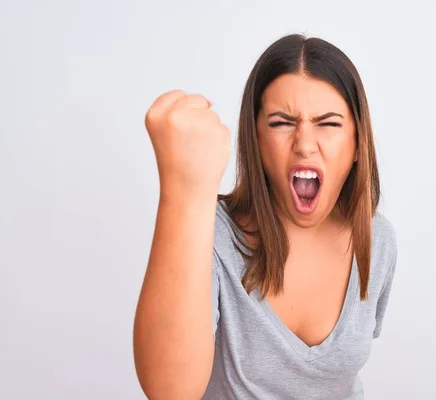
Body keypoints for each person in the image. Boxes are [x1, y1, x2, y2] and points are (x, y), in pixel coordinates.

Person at [133, 33, 398, 399]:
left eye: (329, 123)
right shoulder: (210, 233)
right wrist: (185, 188)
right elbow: (169, 391)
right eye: (281, 123)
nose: (305, 143)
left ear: (356, 144)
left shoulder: (377, 239)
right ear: (255, 140)